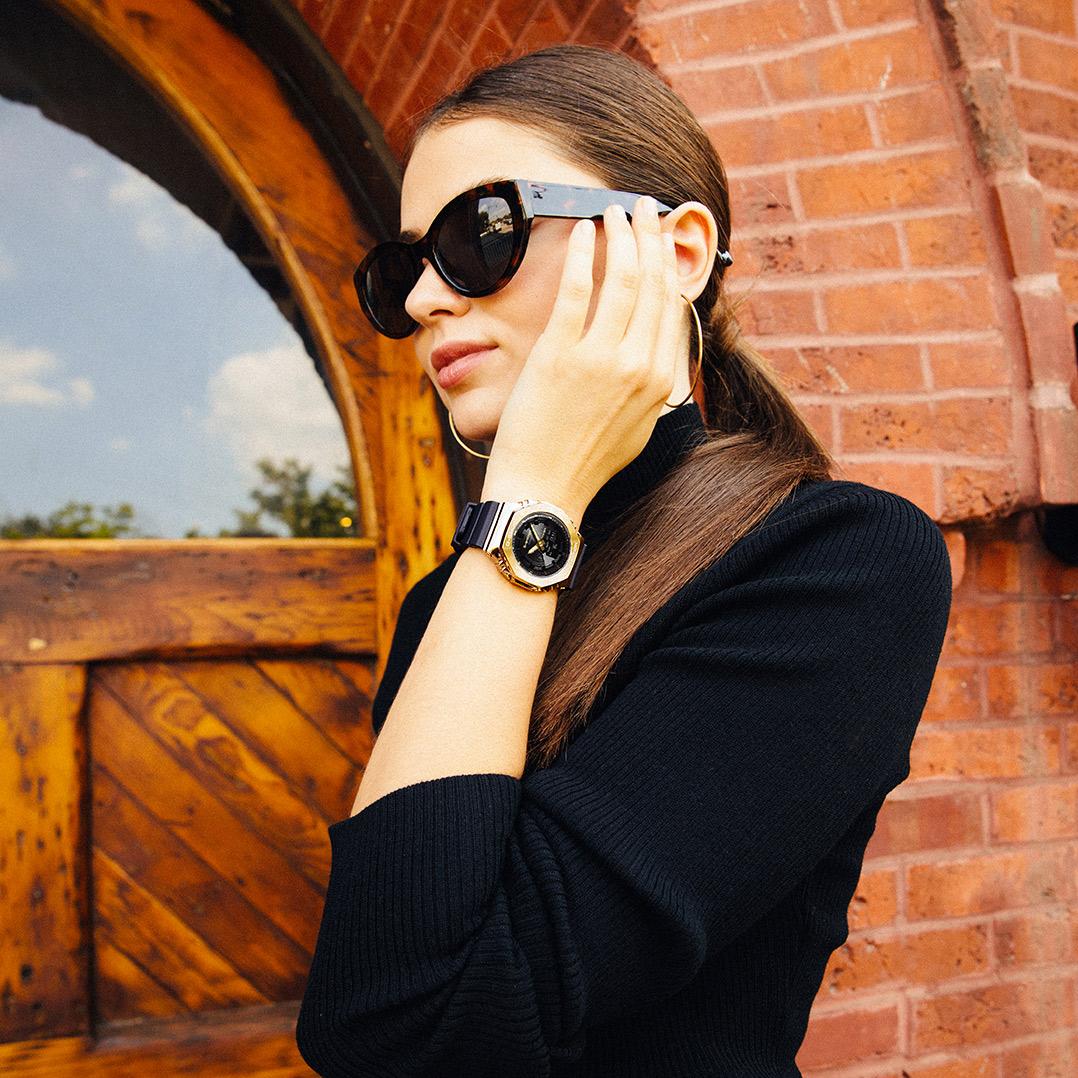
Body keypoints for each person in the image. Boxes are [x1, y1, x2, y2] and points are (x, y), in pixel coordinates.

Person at [296, 43, 952, 1077]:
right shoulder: (453, 600)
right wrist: (528, 508)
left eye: (481, 233)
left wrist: (527, 499)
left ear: (677, 253)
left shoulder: (835, 560)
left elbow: (407, 1022)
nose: (423, 299)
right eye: (401, 270)